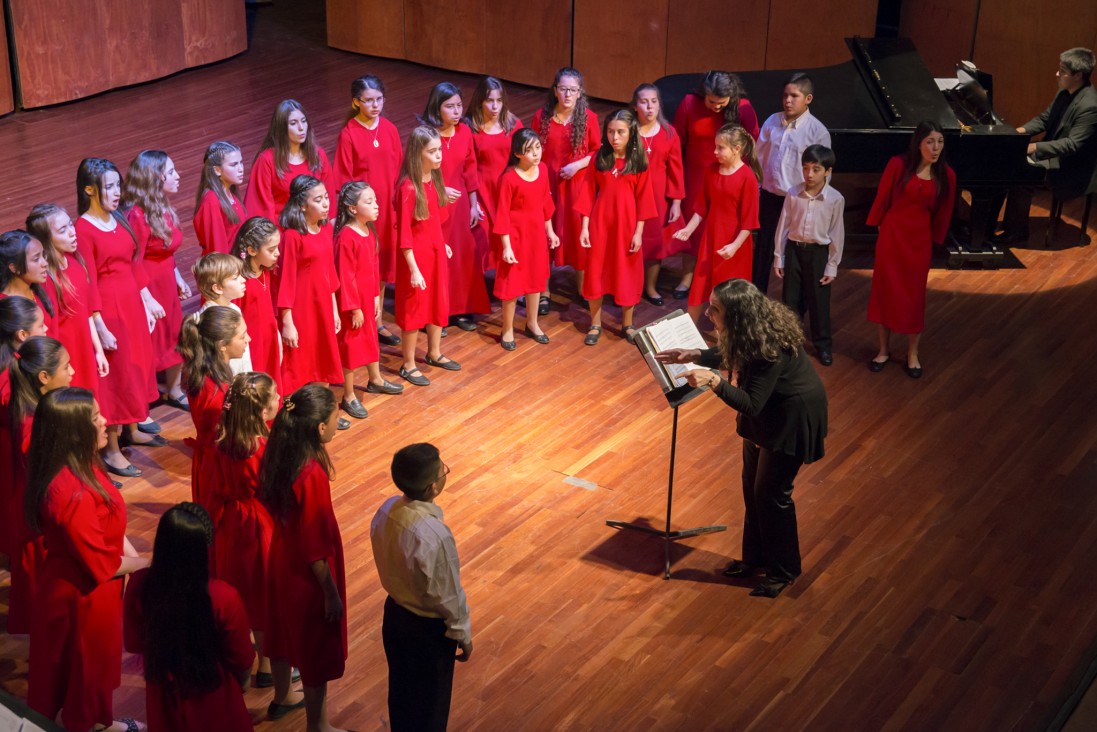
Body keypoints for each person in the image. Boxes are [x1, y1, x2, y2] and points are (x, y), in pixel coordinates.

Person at [656, 279, 827, 598]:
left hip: (791, 420)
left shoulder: (768, 346)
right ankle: (756, 558)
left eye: (715, 309)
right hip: (768, 417)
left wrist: (713, 382)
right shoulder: (748, 329)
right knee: (753, 488)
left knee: (772, 495)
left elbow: (750, 403)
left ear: (736, 316)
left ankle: (784, 570)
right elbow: (730, 354)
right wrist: (693, 354)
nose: (707, 314)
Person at [26, 387, 149, 732]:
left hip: (87, 590)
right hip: (81, 598)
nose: (105, 422)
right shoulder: (71, 493)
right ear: (74, 431)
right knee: (86, 672)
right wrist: (150, 565)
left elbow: (107, 518)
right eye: (96, 418)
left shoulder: (78, 464)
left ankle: (101, 722)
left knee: (89, 670)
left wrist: (132, 552)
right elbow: (101, 564)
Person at [259, 384, 347, 731]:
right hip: (306, 573)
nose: (339, 419)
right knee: (315, 647)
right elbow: (314, 547)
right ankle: (319, 726)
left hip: (281, 557)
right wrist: (330, 593)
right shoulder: (312, 474)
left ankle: (281, 696)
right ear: (320, 428)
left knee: (280, 630)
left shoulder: (280, 452)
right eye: (335, 415)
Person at [123, 502, 255, 732]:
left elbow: (134, 643)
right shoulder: (223, 596)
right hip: (213, 692)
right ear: (203, 549)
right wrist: (243, 682)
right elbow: (241, 657)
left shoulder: (139, 585)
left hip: (163, 692)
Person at [370, 442, 472, 732]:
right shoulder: (433, 535)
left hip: (395, 616)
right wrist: (463, 633)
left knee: (401, 695)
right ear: (432, 488)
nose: (444, 472)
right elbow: (447, 593)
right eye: (443, 470)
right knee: (430, 708)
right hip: (427, 632)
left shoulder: (387, 509)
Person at [75, 157, 163, 478]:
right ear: (89, 190)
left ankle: (132, 426)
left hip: (131, 307)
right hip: (110, 311)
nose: (116, 192)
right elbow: (88, 282)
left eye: (117, 185)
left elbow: (133, 263)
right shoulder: (83, 229)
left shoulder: (119, 219)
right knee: (116, 377)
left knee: (135, 369)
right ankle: (111, 450)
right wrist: (99, 325)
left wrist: (148, 299)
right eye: (108, 187)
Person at [866, 120, 956, 378]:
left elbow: (944, 211)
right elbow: (882, 198)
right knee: (886, 292)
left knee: (913, 297)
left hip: (918, 242)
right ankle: (883, 350)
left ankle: (912, 353)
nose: (935, 147)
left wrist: (935, 240)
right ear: (919, 143)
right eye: (930, 141)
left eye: (939, 142)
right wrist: (879, 226)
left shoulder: (946, 174)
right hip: (892, 238)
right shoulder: (898, 164)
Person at [211, 372, 279, 690]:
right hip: (258, 523)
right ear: (263, 412)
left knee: (238, 592)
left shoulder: (223, 439)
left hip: (229, 523)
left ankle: (238, 659)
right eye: (275, 396)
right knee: (263, 595)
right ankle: (267, 666)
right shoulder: (261, 446)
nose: (281, 398)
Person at [5, 336, 73, 634]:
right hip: (39, 520)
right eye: (67, 367)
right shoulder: (34, 425)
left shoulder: (39, 411)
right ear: (44, 377)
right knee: (43, 596)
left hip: (35, 511)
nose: (73, 372)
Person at [994, 47, 1097, 243]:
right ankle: (992, 224)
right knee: (1006, 160)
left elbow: (1072, 145)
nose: (1057, 74)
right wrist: (1017, 133)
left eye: (1063, 71)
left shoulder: (1090, 106)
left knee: (1020, 173)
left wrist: (1033, 147)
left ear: (1078, 76)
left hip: (1072, 168)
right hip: (1054, 155)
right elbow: (1043, 119)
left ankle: (1017, 233)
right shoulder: (1064, 92)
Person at [672, 71, 760, 297]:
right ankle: (687, 278)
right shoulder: (690, 103)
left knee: (722, 230)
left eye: (722, 103)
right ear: (704, 94)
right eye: (712, 102)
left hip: (728, 179)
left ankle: (717, 283)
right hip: (695, 177)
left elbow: (751, 144)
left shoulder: (743, 108)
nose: (717, 107)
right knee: (694, 227)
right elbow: (677, 141)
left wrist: (739, 176)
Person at [332, 75, 403, 347]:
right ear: (355, 102)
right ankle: (362, 319)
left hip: (386, 209)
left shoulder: (389, 129)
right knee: (366, 266)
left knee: (383, 263)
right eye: (369, 100)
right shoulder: (348, 133)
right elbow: (344, 180)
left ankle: (378, 321)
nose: (375, 105)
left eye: (379, 100)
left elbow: (397, 169)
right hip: (363, 212)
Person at [575, 109, 657, 345]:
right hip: (601, 224)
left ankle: (627, 324)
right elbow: (588, 194)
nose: (615, 137)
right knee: (596, 270)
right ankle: (595, 323)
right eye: (610, 131)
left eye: (620, 132)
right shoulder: (599, 158)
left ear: (631, 133)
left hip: (627, 226)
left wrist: (639, 233)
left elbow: (644, 199)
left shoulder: (639, 162)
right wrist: (584, 227)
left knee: (627, 272)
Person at [122, 150, 191, 410]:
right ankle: (148, 394)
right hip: (148, 285)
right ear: (155, 178)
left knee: (174, 333)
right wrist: (147, 298)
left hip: (166, 282)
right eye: (171, 172)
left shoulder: (162, 206)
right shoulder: (137, 216)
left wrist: (178, 277)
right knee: (154, 339)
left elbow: (167, 250)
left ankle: (173, 389)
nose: (177, 175)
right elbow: (133, 260)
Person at [277, 176, 348, 428]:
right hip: (300, 309)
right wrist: (287, 321)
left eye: (327, 197)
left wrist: (334, 308)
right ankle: (292, 419)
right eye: (318, 200)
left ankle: (322, 414)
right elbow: (285, 280)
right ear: (302, 205)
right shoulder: (292, 236)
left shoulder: (326, 228)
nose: (326, 204)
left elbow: (329, 272)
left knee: (323, 358)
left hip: (322, 306)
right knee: (297, 364)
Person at [419, 82, 490, 331]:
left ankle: (459, 310)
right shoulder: (426, 134)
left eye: (459, 105)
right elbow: (415, 171)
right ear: (437, 108)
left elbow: (470, 171)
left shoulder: (464, 133)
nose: (456, 111)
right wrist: (438, 191)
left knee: (461, 257)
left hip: (459, 205)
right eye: (450, 106)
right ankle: (432, 313)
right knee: (435, 258)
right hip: (431, 204)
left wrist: (473, 205)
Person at [674, 124, 761, 323]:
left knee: (728, 294)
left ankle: (727, 340)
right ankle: (688, 330)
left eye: (720, 148)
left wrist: (734, 246)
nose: (715, 152)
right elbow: (702, 206)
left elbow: (749, 222)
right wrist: (688, 229)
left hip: (734, 245)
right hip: (711, 238)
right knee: (699, 285)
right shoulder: (712, 170)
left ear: (737, 149)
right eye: (715, 146)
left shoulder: (747, 177)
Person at [394, 126, 460, 387]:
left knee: (437, 301)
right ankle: (408, 364)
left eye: (439, 150)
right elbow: (405, 233)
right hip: (415, 259)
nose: (438, 156)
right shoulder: (408, 188)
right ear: (417, 154)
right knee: (413, 308)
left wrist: (442, 244)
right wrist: (413, 268)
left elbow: (435, 221)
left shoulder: (434, 180)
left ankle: (434, 352)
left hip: (434, 253)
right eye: (432, 152)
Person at [755, 73, 832, 295]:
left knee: (793, 256)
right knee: (763, 252)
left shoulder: (817, 131)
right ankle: (756, 301)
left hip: (798, 201)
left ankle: (792, 308)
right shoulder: (772, 121)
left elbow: (823, 175)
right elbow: (759, 158)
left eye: (794, 96)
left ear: (808, 99)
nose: (787, 100)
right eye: (785, 95)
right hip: (770, 198)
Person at [531, 67, 601, 310]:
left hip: (577, 185)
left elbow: (596, 152)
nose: (568, 94)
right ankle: (544, 291)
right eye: (563, 89)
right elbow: (533, 149)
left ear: (580, 92)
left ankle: (582, 288)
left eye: (573, 89)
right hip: (547, 184)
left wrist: (576, 166)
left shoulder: (589, 118)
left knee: (577, 234)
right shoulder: (542, 116)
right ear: (555, 90)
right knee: (544, 235)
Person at [333, 181, 403, 420]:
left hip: (367, 299)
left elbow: (373, 268)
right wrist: (353, 309)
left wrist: (375, 296)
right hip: (353, 304)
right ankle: (349, 395)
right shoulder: (346, 237)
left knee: (370, 339)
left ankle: (375, 379)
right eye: (369, 201)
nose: (376, 205)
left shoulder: (368, 231)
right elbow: (345, 275)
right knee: (351, 347)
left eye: (376, 200)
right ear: (352, 208)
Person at [26, 203, 110, 397]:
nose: (72, 233)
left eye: (70, 225)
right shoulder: (46, 279)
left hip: (84, 351)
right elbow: (50, 329)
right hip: (66, 356)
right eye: (63, 230)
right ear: (46, 239)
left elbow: (87, 312)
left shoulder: (75, 262)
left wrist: (98, 350)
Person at [773, 145, 845, 366]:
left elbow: (836, 233)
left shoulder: (834, 199)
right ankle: (789, 343)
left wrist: (832, 265)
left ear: (827, 171)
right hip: (795, 250)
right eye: (806, 168)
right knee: (791, 300)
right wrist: (779, 256)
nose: (809, 174)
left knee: (818, 301)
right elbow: (783, 226)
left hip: (818, 254)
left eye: (816, 169)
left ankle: (823, 345)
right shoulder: (794, 193)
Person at [177, 305, 249, 508]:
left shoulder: (207, 372)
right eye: (242, 336)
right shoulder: (217, 393)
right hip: (220, 469)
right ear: (222, 345)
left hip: (210, 462)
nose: (248, 340)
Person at [493, 128, 559, 349]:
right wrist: (506, 246)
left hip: (536, 237)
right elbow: (502, 215)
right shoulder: (509, 179)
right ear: (518, 153)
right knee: (511, 286)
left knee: (536, 281)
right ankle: (508, 328)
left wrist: (550, 232)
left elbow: (545, 204)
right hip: (515, 238)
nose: (536, 154)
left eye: (538, 147)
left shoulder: (543, 170)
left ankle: (532, 323)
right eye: (530, 150)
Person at [632, 83, 685, 306]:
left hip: (658, 198)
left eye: (654, 101)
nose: (649, 106)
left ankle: (650, 287)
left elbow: (676, 170)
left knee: (654, 245)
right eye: (644, 102)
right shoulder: (628, 130)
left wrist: (676, 203)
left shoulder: (669, 133)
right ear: (636, 106)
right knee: (629, 243)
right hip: (631, 196)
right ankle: (628, 287)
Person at [466, 76, 523, 274]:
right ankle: (478, 288)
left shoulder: (513, 124)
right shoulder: (470, 127)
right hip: (482, 190)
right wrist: (472, 201)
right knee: (481, 238)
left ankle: (513, 284)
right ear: (480, 101)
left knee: (511, 236)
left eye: (499, 101)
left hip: (507, 189)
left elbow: (523, 159)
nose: (495, 106)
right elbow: (469, 166)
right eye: (490, 101)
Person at [246, 99, 334, 222]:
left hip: (315, 229)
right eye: (293, 123)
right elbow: (260, 208)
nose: (301, 127)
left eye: (303, 121)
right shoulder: (266, 160)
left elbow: (329, 197)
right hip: (283, 231)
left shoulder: (318, 154)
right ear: (281, 128)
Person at [230, 217, 282, 386]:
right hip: (251, 344)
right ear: (252, 250)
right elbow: (233, 316)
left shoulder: (264, 271)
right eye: (272, 249)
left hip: (269, 337)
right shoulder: (239, 280)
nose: (278, 253)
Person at [192, 252, 253, 375]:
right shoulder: (210, 319)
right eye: (235, 278)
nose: (243, 280)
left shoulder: (234, 308)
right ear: (218, 288)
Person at [193, 140, 247, 255]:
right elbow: (217, 250)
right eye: (233, 165)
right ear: (217, 170)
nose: (241, 169)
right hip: (225, 269)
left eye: (241, 162)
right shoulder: (211, 201)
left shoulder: (230, 192)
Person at [0, 228, 54, 328]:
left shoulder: (43, 286)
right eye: (36, 259)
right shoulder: (5, 307)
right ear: (15, 268)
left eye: (43, 255)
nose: (45, 263)